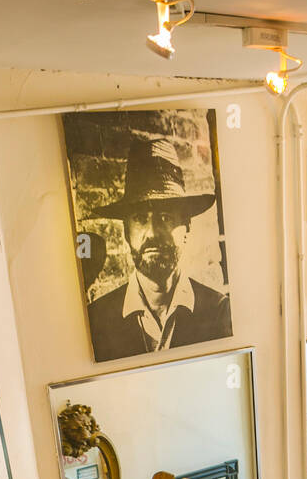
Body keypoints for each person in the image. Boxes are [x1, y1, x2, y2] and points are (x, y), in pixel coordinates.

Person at [87, 136, 231, 362]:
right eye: (140, 218)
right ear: (126, 231)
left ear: (186, 227)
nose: (153, 233)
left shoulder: (219, 311)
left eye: (165, 217)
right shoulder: (96, 318)